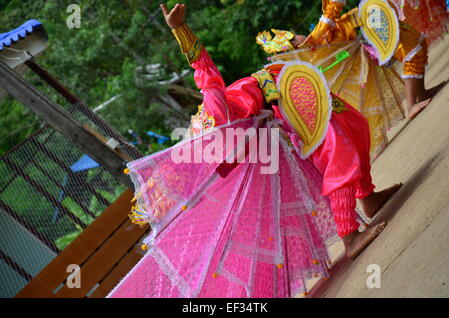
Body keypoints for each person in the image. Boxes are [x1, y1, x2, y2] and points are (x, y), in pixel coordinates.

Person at [108, 3, 401, 298]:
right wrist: (179, 29)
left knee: (353, 126)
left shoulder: (207, 139)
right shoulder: (211, 141)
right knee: (342, 148)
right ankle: (350, 236)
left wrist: (180, 30)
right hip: (285, 100)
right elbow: (205, 71)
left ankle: (368, 196)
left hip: (281, 94)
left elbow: (208, 76)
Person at [258, 0, 446, 159]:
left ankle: (421, 94)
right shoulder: (313, 42)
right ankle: (412, 104)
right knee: (412, 52)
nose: (297, 34)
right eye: (293, 36)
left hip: (365, 23)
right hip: (367, 31)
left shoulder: (314, 43)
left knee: (416, 43)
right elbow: (331, 14)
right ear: (296, 44)